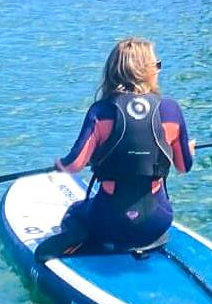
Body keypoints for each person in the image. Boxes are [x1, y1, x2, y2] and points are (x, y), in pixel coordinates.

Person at [34, 37, 193, 261]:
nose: (158, 71)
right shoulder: (171, 110)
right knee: (158, 209)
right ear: (144, 71)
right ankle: (145, 239)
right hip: (157, 221)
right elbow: (184, 166)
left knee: (75, 212)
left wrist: (59, 165)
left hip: (108, 220)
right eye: (156, 65)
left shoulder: (101, 112)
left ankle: (78, 240)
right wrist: (189, 149)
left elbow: (74, 165)